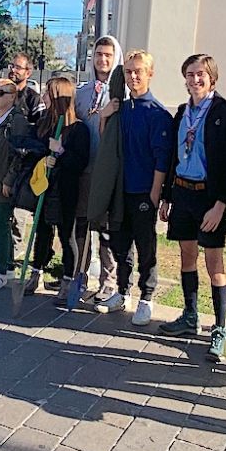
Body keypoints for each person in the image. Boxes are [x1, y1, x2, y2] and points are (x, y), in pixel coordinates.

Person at [158, 54, 226, 363]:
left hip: (210, 199)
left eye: (201, 74)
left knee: (214, 263)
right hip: (183, 192)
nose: (195, 79)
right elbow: (173, 156)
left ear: (212, 78)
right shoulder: (182, 112)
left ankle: (219, 328)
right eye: (190, 74)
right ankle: (190, 315)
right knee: (186, 256)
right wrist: (167, 195)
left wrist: (221, 204)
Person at [89, 49, 173, 325]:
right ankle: (122, 292)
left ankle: (146, 297)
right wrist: (104, 116)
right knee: (120, 245)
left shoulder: (157, 113)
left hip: (143, 192)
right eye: (128, 71)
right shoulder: (121, 108)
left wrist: (155, 193)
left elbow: (163, 158)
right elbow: (107, 143)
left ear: (150, 74)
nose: (133, 76)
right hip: (119, 191)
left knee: (146, 246)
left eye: (138, 71)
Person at [21, 77, 90, 296]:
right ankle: (36, 273)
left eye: (48, 94)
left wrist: (61, 153)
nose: (43, 98)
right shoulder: (43, 124)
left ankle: (68, 280)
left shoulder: (78, 129)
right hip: (44, 187)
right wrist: (41, 155)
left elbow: (80, 162)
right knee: (41, 231)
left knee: (66, 234)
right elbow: (34, 149)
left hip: (65, 190)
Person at [72, 35, 123, 306]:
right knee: (82, 225)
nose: (103, 60)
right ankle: (80, 275)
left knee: (105, 230)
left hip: (107, 173)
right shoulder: (81, 93)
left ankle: (108, 281)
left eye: (108, 55)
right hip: (83, 170)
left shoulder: (120, 94)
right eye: (99, 54)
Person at [0, 78, 30, 291]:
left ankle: (0, 270)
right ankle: (7, 267)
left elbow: (20, 153)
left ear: (12, 96)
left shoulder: (16, 120)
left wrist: (9, 179)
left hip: (2, 181)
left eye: (0, 93)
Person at [8, 53, 42, 120]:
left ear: (28, 73)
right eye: (12, 66)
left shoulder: (33, 98)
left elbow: (38, 125)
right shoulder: (0, 94)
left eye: (18, 68)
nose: (13, 70)